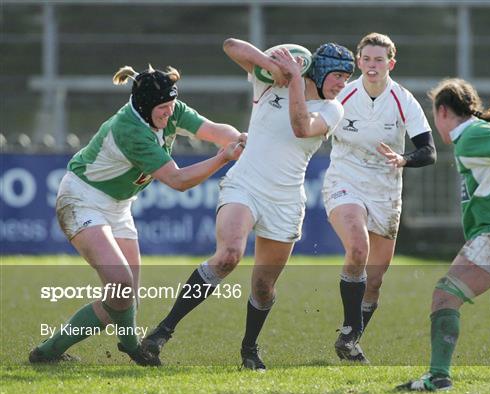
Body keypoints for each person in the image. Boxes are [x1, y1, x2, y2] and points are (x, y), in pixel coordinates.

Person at [142, 39, 355, 370]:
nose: (344, 84)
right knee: (228, 256)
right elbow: (229, 46)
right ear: (323, 69)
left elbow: (301, 128)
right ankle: (160, 333)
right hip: (245, 185)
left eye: (347, 77)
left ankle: (249, 349)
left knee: (264, 287)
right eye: (340, 75)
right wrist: (272, 67)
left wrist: (295, 79)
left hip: (285, 201)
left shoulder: (332, 109)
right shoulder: (270, 83)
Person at [29, 64, 246, 366]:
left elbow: (213, 130)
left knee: (123, 297)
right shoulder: (129, 130)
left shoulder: (168, 106)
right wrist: (224, 157)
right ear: (144, 106)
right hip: (81, 199)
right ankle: (126, 349)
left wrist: (239, 140)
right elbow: (178, 181)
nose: (169, 114)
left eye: (172, 105)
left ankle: (56, 351)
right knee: (121, 283)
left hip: (119, 205)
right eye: (162, 109)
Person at [394, 78, 490, 391]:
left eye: (434, 115)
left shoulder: (473, 133)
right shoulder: (477, 136)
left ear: (443, 111)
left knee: (445, 295)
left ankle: (438, 377)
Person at [322, 32, 436, 363]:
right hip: (345, 181)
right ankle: (348, 331)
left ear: (391, 63)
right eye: (367, 59)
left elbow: (428, 151)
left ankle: (350, 338)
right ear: (359, 62)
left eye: (379, 60)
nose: (373, 66)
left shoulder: (403, 99)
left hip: (386, 189)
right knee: (358, 248)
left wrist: (403, 159)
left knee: (374, 280)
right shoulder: (342, 95)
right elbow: (311, 126)